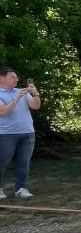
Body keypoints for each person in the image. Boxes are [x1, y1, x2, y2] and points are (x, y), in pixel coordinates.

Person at [0, 67, 41, 199]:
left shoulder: (21, 91)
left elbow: (36, 106)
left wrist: (35, 94)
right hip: (6, 134)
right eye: (13, 77)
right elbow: (3, 112)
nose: (16, 79)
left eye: (17, 77)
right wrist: (16, 99)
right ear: (1, 78)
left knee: (24, 162)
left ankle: (21, 188)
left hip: (28, 132)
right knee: (2, 161)